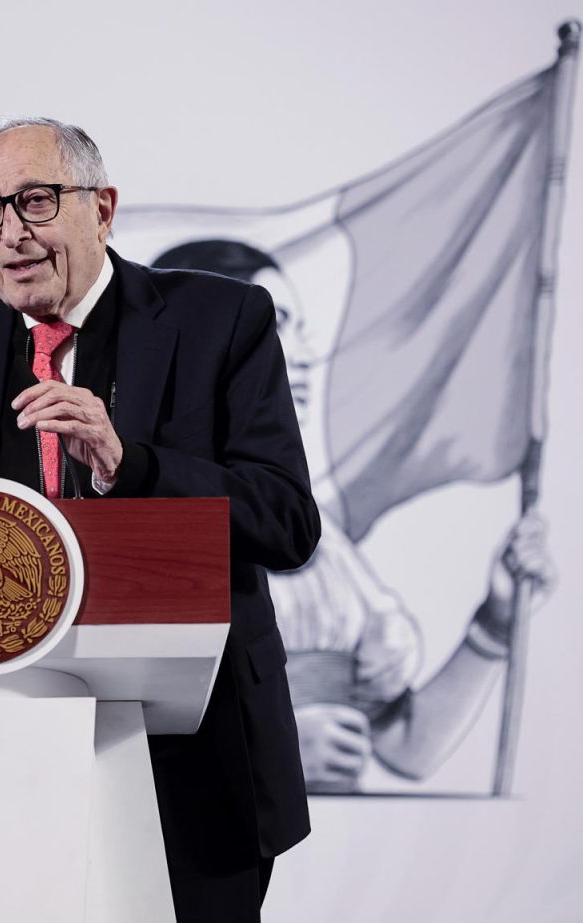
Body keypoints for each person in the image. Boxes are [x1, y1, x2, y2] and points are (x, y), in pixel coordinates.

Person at [0, 119, 320, 923]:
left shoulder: (219, 319)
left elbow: (286, 521)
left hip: (191, 764)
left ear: (102, 209)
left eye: (37, 201)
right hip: (0, 766)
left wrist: (131, 465)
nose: (12, 233)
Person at [151, 240, 557, 791]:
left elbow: (407, 748)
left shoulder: (312, 534)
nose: (305, 353)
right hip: (207, 856)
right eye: (275, 325)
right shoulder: (134, 518)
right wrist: (272, 748)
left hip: (339, 863)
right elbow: (113, 738)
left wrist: (496, 620)